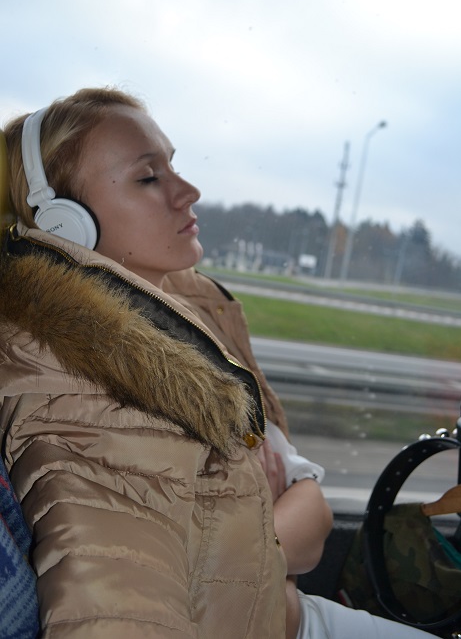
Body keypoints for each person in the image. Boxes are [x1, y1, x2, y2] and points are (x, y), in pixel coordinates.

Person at [0, 87, 440, 638]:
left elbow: (315, 507)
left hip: (295, 615)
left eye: (172, 165)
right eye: (148, 177)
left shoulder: (192, 311)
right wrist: (264, 535)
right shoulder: (72, 382)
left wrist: (245, 541)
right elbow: (115, 599)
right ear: (64, 223)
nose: (189, 191)